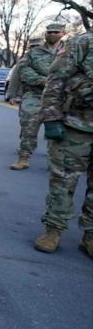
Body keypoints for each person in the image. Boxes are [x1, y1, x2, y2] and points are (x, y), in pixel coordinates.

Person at [35, 29, 93, 257]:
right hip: (75, 126)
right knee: (63, 181)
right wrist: (51, 118)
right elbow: (56, 80)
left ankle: (90, 236)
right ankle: (53, 231)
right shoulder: (84, 42)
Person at [11, 24, 66, 170]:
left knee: (58, 130)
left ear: (63, 33)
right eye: (49, 32)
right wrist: (41, 81)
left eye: (56, 32)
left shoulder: (70, 51)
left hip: (60, 97)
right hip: (35, 95)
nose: (52, 34)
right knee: (29, 125)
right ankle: (24, 158)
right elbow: (23, 70)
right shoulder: (34, 52)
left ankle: (54, 162)